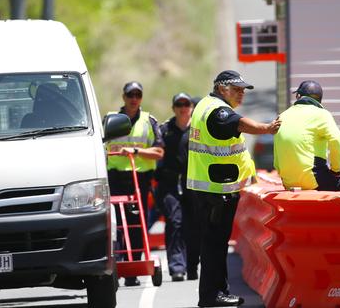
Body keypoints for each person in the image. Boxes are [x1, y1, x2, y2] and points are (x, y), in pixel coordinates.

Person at [187, 70, 280, 307]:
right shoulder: (218, 111)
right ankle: (212, 295)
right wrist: (267, 128)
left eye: (243, 90)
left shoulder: (205, 105)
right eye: (237, 89)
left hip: (211, 187)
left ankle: (215, 293)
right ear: (221, 88)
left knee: (214, 244)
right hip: (217, 190)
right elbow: (238, 123)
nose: (241, 94)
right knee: (215, 245)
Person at [105, 81, 164, 287]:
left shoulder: (149, 121)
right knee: (116, 225)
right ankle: (117, 265)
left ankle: (133, 269)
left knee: (137, 225)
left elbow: (159, 152)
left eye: (138, 95)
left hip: (139, 179)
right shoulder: (110, 119)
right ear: (124, 97)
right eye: (130, 95)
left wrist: (136, 152)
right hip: (115, 178)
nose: (134, 99)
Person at [273, 80, 340, 191]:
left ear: (298, 96)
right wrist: (335, 170)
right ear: (320, 99)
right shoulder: (322, 114)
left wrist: (284, 176)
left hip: (288, 182)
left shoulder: (282, 116)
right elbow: (336, 140)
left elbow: (277, 152)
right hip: (314, 179)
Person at [155, 92, 200, 282]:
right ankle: (177, 267)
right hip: (169, 185)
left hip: (194, 184)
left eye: (186, 104)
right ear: (174, 108)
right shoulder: (164, 130)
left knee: (194, 227)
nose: (183, 108)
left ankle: (191, 266)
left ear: (191, 107)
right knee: (175, 222)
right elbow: (155, 153)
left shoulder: (199, 130)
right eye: (179, 104)